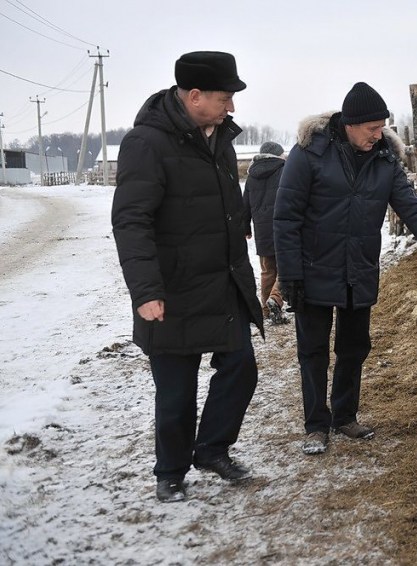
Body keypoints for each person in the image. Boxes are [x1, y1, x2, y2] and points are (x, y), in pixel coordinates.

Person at [274, 82, 417, 456]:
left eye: (382, 126)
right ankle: (316, 425)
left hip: (359, 269)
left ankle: (345, 416)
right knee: (313, 350)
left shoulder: (384, 160)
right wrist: (289, 276)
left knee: (354, 348)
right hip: (313, 268)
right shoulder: (309, 153)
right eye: (371, 127)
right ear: (350, 124)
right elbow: (285, 218)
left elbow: (412, 208)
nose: (378, 133)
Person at [112, 51, 263, 503]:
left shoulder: (221, 139)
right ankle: (171, 472)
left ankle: (212, 449)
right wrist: (145, 291)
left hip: (223, 284)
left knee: (241, 369)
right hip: (172, 290)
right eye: (224, 98)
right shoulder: (147, 143)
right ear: (194, 96)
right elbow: (131, 220)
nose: (231, 107)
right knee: (177, 392)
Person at [243, 141, 288, 325]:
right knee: (286, 266)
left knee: (267, 270)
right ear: (277, 154)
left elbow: (244, 204)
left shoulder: (251, 175)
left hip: (261, 229)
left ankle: (265, 310)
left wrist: (246, 228)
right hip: (283, 226)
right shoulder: (285, 170)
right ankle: (276, 298)